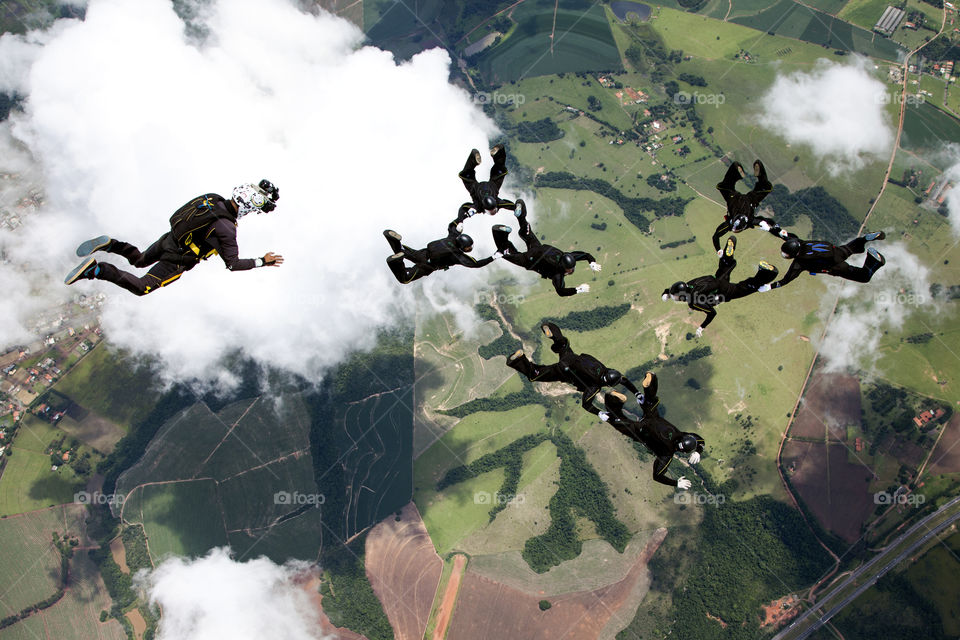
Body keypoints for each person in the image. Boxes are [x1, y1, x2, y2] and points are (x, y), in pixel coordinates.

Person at [65, 180, 283, 295]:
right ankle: (97, 270)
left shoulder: (213, 199)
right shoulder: (227, 228)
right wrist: (262, 261)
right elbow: (233, 264)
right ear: (247, 208)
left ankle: (111, 245)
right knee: (143, 287)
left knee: (139, 259)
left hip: (168, 240)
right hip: (178, 260)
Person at [506, 322, 639, 415]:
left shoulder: (604, 369)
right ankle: (519, 360)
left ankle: (553, 332)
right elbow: (586, 405)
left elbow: (622, 379)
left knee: (564, 345)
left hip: (571, 358)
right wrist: (600, 413)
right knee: (535, 375)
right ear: (608, 384)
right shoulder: (595, 387)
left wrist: (637, 393)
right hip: (564, 371)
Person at [599, 373, 704, 489]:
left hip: (653, 417)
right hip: (640, 431)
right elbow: (657, 476)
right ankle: (612, 397)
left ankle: (651, 380)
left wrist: (699, 450)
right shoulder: (666, 454)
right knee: (617, 420)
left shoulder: (681, 435)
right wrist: (676, 483)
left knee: (651, 399)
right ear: (683, 452)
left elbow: (699, 439)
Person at [662, 236, 778, 336]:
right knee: (726, 264)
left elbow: (712, 313)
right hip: (717, 279)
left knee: (747, 288)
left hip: (724, 290)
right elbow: (678, 289)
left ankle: (768, 273)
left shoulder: (694, 301)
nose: (675, 299)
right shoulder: (689, 285)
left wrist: (701, 327)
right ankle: (727, 257)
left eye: (675, 297)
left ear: (681, 295)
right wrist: (666, 292)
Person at [491, 201, 601, 296]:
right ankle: (499, 233)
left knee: (526, 233)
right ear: (563, 267)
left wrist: (592, 262)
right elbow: (561, 291)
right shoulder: (558, 274)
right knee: (506, 254)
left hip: (538, 248)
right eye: (570, 269)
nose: (571, 270)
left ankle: (520, 216)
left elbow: (586, 255)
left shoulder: (568, 256)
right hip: (530, 260)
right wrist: (578, 290)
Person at [383, 217, 496, 284]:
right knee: (405, 279)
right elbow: (476, 264)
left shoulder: (452, 237)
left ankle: (395, 242)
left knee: (401, 251)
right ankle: (395, 262)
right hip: (426, 265)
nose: (470, 249)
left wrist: (461, 220)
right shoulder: (456, 255)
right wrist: (494, 257)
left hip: (422, 253)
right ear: (462, 246)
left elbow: (452, 226)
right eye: (468, 247)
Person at [762, 231, 886, 291]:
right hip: (835, 251)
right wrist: (772, 229)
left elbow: (786, 280)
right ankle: (865, 239)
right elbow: (786, 236)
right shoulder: (799, 242)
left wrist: (769, 286)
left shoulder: (799, 263)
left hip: (834, 267)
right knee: (852, 248)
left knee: (864, 277)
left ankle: (875, 260)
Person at [712, 159, 786, 254]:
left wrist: (778, 230)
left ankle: (749, 169)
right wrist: (778, 230)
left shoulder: (740, 223)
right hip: (737, 199)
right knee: (724, 187)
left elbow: (769, 221)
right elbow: (715, 236)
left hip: (746, 200)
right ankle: (735, 167)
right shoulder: (732, 224)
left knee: (766, 188)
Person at [457, 144, 519, 218]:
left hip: (489, 187)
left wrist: (460, 220)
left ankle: (499, 152)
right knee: (466, 175)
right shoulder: (479, 207)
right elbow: (464, 207)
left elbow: (508, 205)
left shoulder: (485, 205)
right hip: (481, 188)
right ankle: (475, 157)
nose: (492, 212)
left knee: (500, 171)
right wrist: (517, 208)